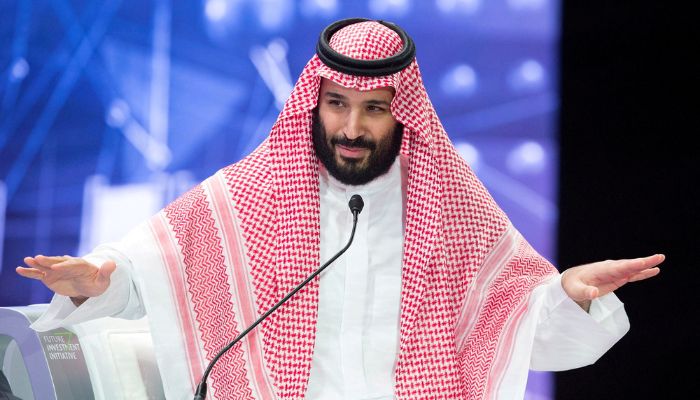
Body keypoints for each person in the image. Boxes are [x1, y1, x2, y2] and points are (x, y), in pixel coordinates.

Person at [15, 18, 663, 400]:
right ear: (314, 104)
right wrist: (100, 278)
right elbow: (160, 266)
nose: (352, 126)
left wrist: (572, 295)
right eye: (337, 105)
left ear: (401, 114)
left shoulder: (451, 211)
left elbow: (521, 327)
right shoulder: (250, 196)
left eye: (374, 109)